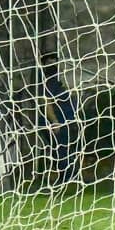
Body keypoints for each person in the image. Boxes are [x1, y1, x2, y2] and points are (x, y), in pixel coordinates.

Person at [38, 52, 80, 186]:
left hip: (66, 120)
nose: (53, 65)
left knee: (64, 148)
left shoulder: (57, 81)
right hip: (57, 122)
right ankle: (66, 176)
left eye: (55, 62)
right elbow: (46, 103)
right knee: (60, 149)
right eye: (49, 63)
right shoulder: (47, 82)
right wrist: (54, 121)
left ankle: (69, 175)